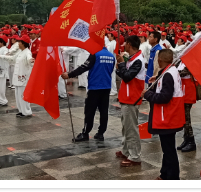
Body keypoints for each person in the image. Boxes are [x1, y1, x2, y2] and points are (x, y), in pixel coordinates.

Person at [142, 48, 185, 180]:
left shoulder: (168, 75)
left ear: (159, 60)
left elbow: (165, 97)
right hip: (169, 116)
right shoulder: (170, 71)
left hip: (167, 117)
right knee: (167, 149)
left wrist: (147, 94)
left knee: (169, 150)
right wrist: (157, 78)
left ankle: (172, 178)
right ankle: (165, 174)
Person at [63, 42, 116, 141]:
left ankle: (85, 133)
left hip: (95, 87)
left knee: (89, 111)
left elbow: (84, 67)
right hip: (106, 87)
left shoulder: (95, 54)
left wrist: (69, 75)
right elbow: (111, 70)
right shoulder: (111, 56)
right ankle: (101, 133)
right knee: (104, 111)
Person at [115, 35, 146, 167]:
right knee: (126, 126)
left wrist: (122, 64)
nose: (124, 46)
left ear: (130, 45)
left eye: (126, 43)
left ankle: (135, 156)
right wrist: (119, 66)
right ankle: (126, 150)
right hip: (126, 97)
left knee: (131, 128)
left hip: (132, 98)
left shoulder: (138, 60)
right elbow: (123, 74)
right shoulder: (132, 58)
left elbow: (127, 77)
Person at [1, 35, 35, 117]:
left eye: (19, 42)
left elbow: (29, 58)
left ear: (23, 43)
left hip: (23, 78)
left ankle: (26, 111)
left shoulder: (27, 52)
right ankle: (21, 110)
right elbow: (13, 58)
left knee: (23, 95)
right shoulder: (20, 52)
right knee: (18, 96)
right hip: (18, 77)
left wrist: (30, 61)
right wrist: (2, 56)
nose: (18, 43)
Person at [176, 58, 198, 152]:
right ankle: (186, 139)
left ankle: (191, 141)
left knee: (187, 118)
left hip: (188, 91)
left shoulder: (190, 61)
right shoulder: (180, 62)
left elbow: (182, 73)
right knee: (184, 118)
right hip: (183, 90)